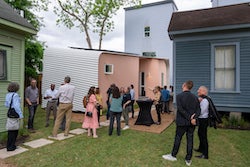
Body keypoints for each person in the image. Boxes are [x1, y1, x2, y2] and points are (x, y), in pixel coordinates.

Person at [162, 80, 201, 166]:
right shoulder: (195, 97)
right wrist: (193, 118)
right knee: (190, 140)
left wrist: (191, 118)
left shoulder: (179, 96)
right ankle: (188, 159)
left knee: (178, 138)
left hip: (182, 122)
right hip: (191, 123)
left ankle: (173, 155)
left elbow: (180, 109)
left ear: (184, 85)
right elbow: (199, 110)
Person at [5, 82, 23, 151]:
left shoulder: (8, 95)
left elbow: (6, 105)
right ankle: (11, 146)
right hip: (14, 113)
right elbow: (16, 106)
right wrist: (20, 115)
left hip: (10, 112)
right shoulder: (15, 95)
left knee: (10, 130)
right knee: (15, 130)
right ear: (16, 88)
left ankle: (9, 145)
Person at [195, 86, 210, 159]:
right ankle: (201, 149)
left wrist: (194, 115)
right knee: (200, 134)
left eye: (199, 90)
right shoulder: (202, 99)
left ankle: (205, 154)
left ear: (204, 92)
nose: (198, 91)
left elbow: (201, 111)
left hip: (203, 120)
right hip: (201, 120)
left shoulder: (205, 101)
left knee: (203, 136)